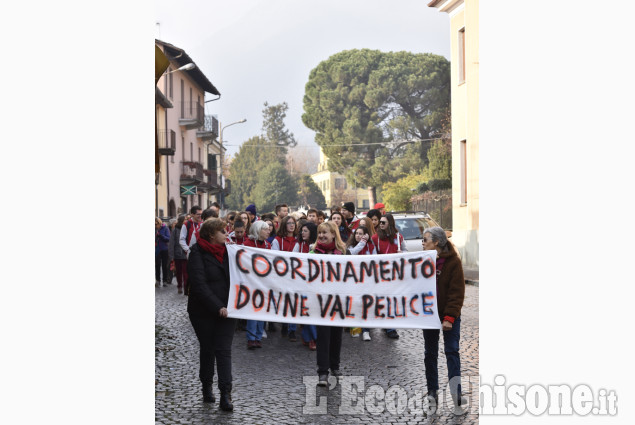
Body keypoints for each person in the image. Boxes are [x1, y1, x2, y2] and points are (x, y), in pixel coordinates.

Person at [187, 218, 236, 411]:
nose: (226, 234)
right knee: (208, 348)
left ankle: (226, 394)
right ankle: (206, 386)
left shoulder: (230, 252)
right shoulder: (196, 253)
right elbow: (199, 285)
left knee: (223, 350)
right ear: (211, 235)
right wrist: (217, 306)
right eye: (222, 231)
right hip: (202, 311)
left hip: (228, 309)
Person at [421, 227, 467, 416]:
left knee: (451, 351)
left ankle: (456, 394)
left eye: (425, 240)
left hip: (449, 316)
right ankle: (432, 393)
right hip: (429, 315)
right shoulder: (423, 261)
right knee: (430, 354)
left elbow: (457, 293)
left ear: (436, 242)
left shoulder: (453, 262)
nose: (422, 243)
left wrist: (449, 318)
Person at [311, 222, 347, 387]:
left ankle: (335, 365)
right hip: (320, 301)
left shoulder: (344, 253)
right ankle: (323, 372)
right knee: (323, 336)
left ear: (334, 235)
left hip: (339, 300)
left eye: (325, 233)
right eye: (319, 233)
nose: (321, 236)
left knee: (336, 335)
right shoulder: (312, 253)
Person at [370, 213, 406, 339]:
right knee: (383, 300)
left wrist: (402, 254)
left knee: (391, 300)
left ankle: (390, 326)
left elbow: (406, 252)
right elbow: (373, 256)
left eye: (383, 222)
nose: (381, 224)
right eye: (380, 222)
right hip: (381, 274)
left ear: (390, 224)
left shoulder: (399, 237)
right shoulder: (375, 238)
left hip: (394, 274)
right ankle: (387, 324)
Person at [243, 221, 271, 349]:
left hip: (264, 283)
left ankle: (258, 337)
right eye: (265, 229)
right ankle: (251, 337)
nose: (268, 231)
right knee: (252, 311)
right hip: (251, 282)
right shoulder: (247, 244)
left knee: (262, 311)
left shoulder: (268, 245)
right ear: (258, 230)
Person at [179, 206, 203, 294]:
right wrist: (187, 249)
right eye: (198, 214)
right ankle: (188, 290)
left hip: (201, 253)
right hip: (190, 253)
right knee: (188, 273)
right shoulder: (186, 224)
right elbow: (181, 239)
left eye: (201, 214)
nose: (200, 216)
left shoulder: (203, 224)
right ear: (192, 214)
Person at [168, 215, 188, 294]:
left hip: (186, 254)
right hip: (177, 254)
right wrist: (171, 256)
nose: (186, 220)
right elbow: (172, 243)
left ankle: (186, 287)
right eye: (185, 219)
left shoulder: (187, 228)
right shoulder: (175, 230)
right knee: (179, 272)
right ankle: (179, 286)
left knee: (186, 272)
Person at [155, 217, 171, 287]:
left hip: (164, 249)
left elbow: (168, 238)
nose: (155, 226)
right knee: (157, 265)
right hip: (156, 249)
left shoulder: (165, 228)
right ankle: (158, 280)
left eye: (156, 224)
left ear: (160, 223)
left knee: (164, 265)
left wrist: (161, 236)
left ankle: (164, 280)